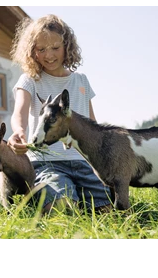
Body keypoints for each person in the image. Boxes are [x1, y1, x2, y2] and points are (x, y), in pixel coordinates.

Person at [7, 14, 112, 215]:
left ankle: (82, 197)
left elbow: (92, 124)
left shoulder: (81, 81)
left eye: (55, 48)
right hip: (47, 163)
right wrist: (18, 131)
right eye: (41, 49)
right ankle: (61, 197)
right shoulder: (30, 80)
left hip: (85, 164)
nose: (49, 55)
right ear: (32, 51)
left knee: (109, 210)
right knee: (61, 210)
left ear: (67, 46)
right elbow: (19, 112)